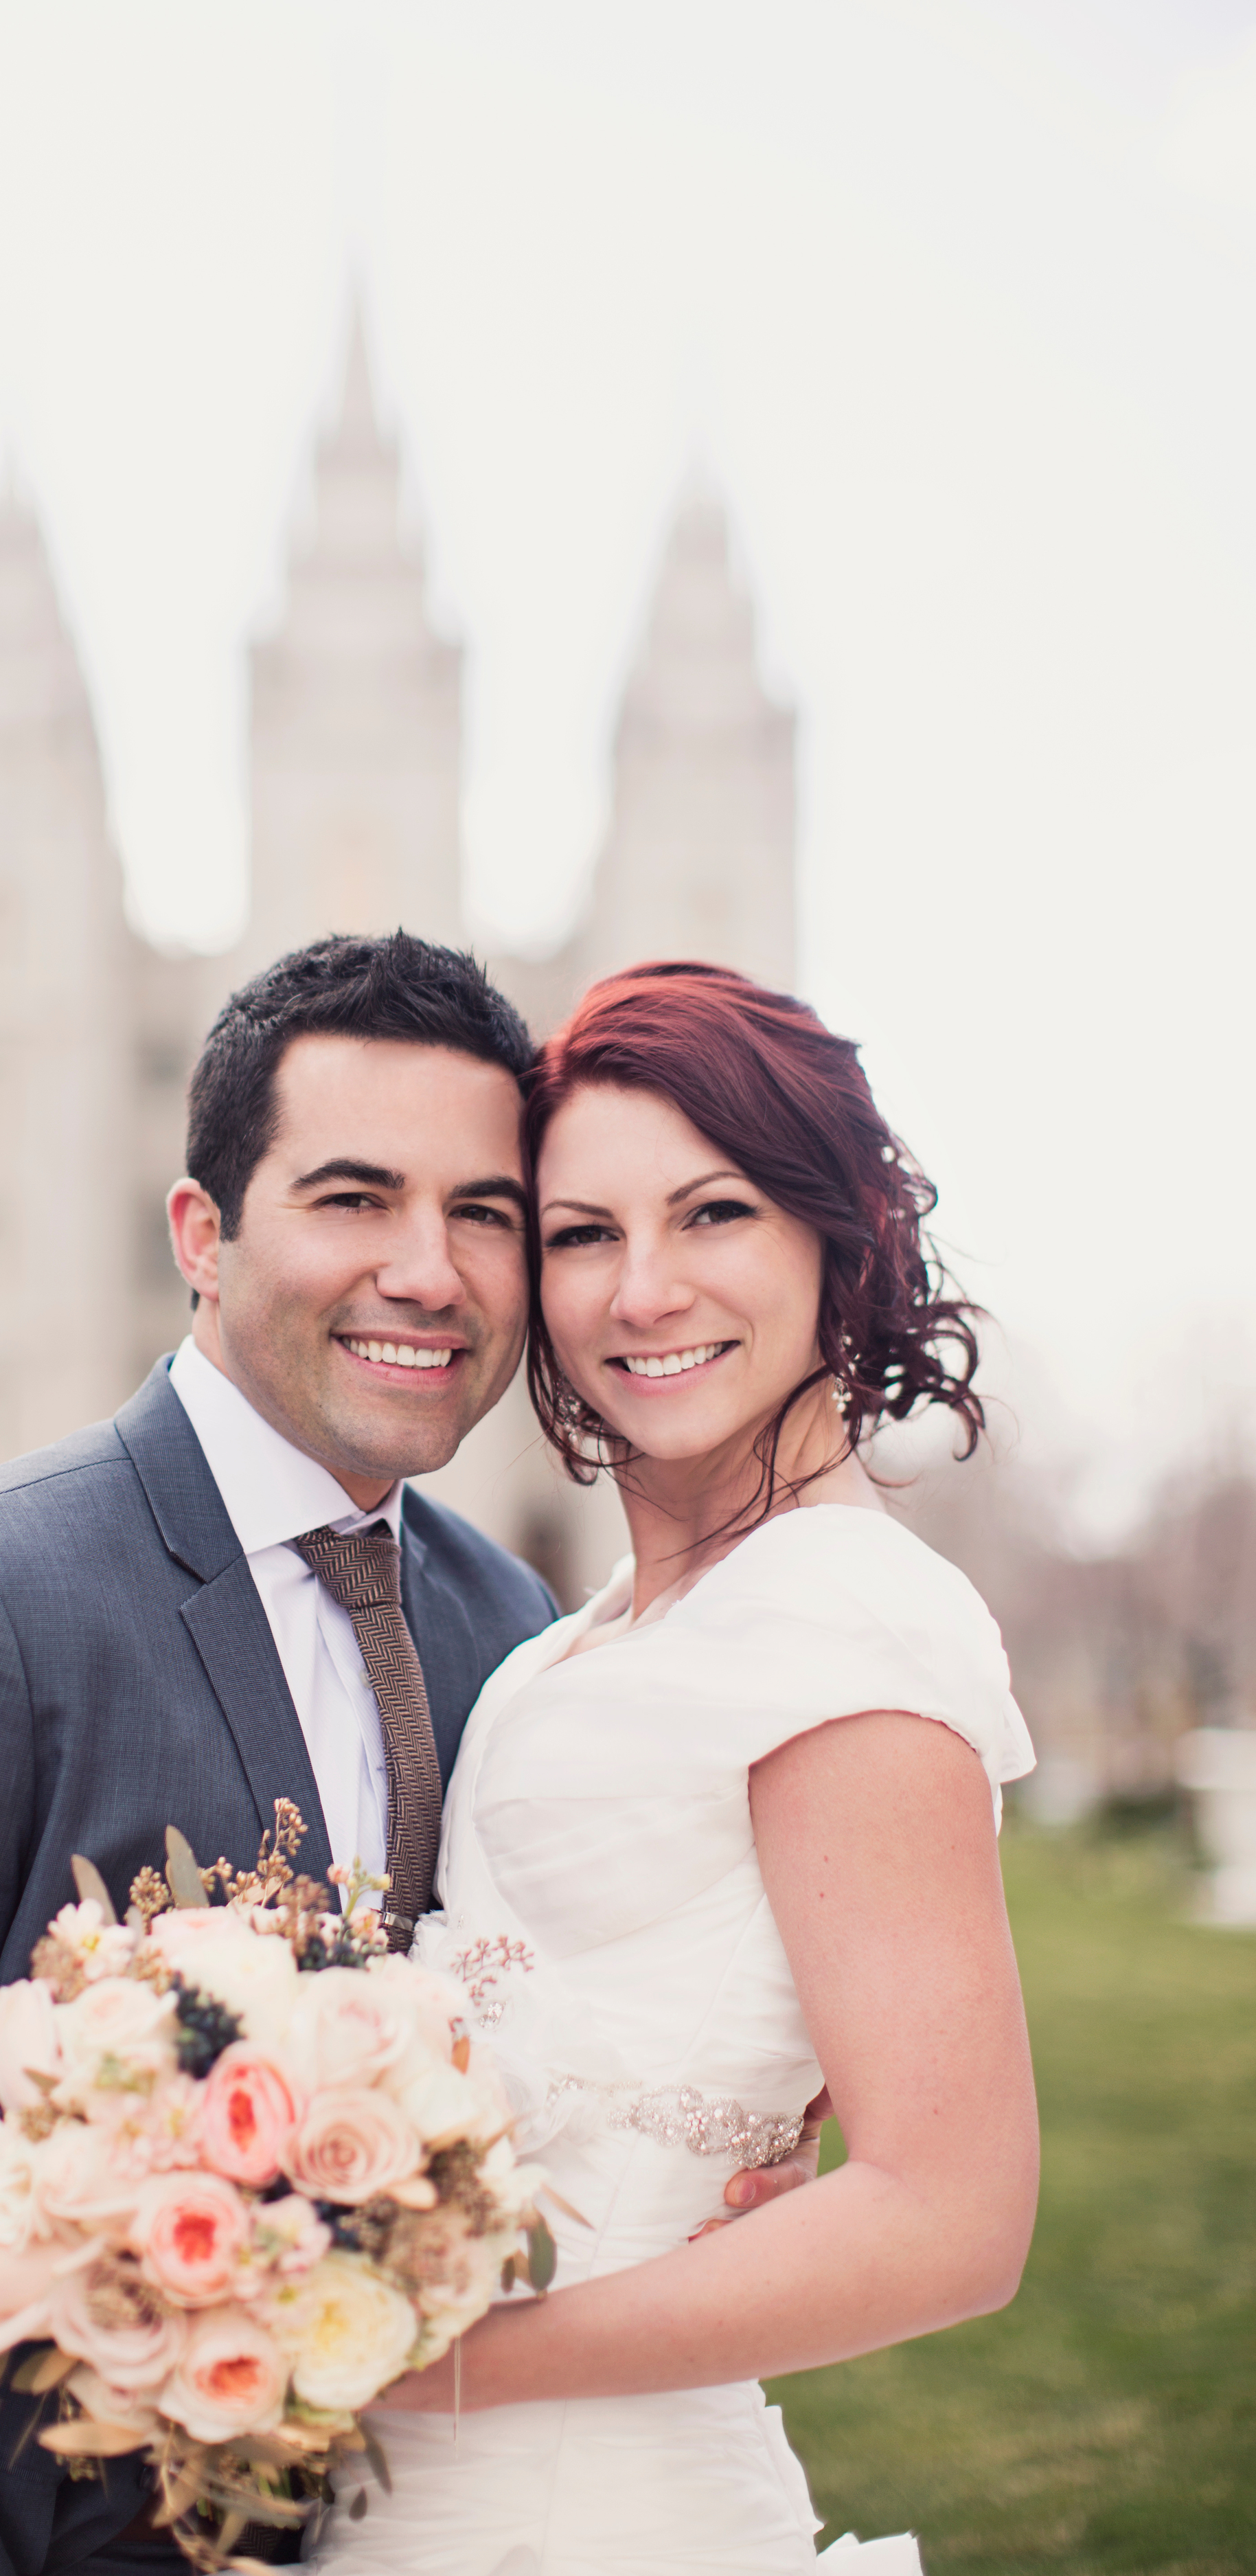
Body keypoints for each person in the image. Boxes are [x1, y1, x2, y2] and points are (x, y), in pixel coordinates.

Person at [0, 934, 817, 2576]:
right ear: (201, 1234)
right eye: (353, 1199)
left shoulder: (512, 1629)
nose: (430, 1271)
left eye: (483, 1213)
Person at [308, 960, 1039, 2576]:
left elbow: (949, 2217)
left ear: (830, 1235)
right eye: (581, 1235)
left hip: (586, 2504)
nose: (640, 1292)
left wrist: (443, 2367)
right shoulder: (599, 1629)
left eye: (709, 1216)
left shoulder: (841, 1611)